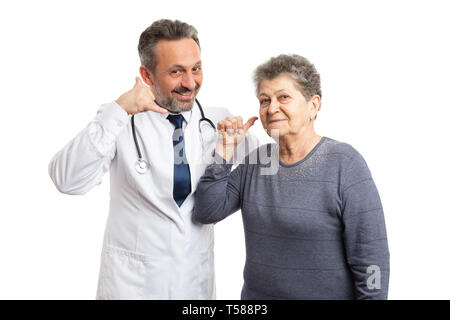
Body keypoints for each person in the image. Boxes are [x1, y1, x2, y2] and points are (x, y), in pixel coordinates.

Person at [48, 19, 257, 299]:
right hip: (131, 287)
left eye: (196, 68)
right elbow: (67, 180)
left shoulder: (219, 121)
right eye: (176, 72)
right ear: (147, 75)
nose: (190, 83)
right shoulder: (118, 120)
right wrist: (119, 109)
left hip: (194, 286)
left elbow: (273, 171)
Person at [193, 54, 390, 299]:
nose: (272, 107)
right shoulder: (257, 161)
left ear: (313, 105)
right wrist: (224, 151)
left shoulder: (345, 163)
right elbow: (206, 212)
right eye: (264, 100)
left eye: (283, 97)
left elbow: (371, 259)